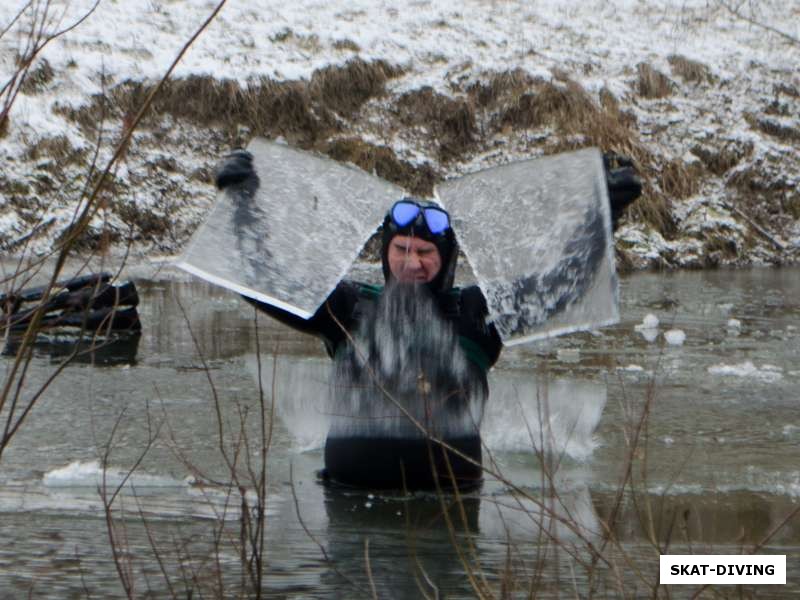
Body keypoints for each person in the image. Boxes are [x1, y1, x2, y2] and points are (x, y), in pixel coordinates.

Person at [215, 149, 640, 491]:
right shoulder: (348, 309)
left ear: (447, 260)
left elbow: (565, 283)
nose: (411, 263)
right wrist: (242, 201)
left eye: (425, 253)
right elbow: (261, 279)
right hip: (350, 509)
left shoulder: (478, 312)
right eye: (401, 249)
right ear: (386, 253)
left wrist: (604, 212)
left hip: (448, 511)